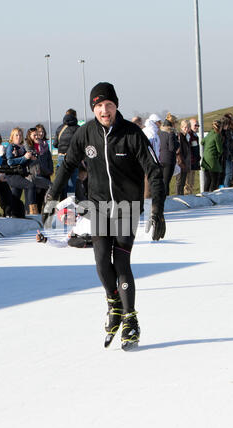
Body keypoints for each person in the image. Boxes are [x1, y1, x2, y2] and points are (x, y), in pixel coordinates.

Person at [42, 82, 166, 351]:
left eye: (108, 105)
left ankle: (130, 318)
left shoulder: (132, 134)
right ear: (93, 109)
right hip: (98, 206)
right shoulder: (86, 133)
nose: (104, 110)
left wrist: (157, 209)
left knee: (121, 262)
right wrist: (51, 196)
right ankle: (114, 305)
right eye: (98, 106)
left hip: (126, 207)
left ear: (116, 105)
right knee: (100, 263)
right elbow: (67, 165)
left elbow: (154, 171)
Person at [5, 127, 37, 215]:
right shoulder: (11, 146)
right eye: (16, 135)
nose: (18, 137)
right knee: (30, 186)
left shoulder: (23, 147)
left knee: (15, 196)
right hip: (12, 175)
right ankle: (31, 211)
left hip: (20, 174)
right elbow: (10, 161)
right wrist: (24, 158)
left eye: (20, 135)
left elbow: (24, 161)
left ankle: (12, 214)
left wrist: (30, 159)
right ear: (12, 136)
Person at [24, 127, 53, 212]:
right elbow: (33, 158)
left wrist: (49, 170)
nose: (37, 136)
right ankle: (31, 213)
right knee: (31, 198)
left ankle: (41, 211)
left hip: (39, 173)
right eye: (34, 135)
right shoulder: (27, 144)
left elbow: (46, 159)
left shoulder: (40, 145)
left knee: (39, 195)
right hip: (31, 175)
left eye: (37, 134)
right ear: (29, 136)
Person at [54, 109, 80, 200]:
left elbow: (55, 144)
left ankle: (61, 208)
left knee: (61, 183)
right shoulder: (77, 128)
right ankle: (70, 209)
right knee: (71, 184)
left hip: (61, 157)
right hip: (72, 158)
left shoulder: (60, 128)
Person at [142, 114, 162, 198]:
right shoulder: (151, 132)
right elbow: (152, 149)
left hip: (154, 160)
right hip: (150, 162)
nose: (160, 124)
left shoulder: (154, 132)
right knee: (149, 182)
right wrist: (154, 161)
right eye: (159, 122)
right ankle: (147, 201)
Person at [201, 120, 223, 192]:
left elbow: (202, 141)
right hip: (212, 159)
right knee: (214, 179)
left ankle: (205, 194)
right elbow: (220, 149)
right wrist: (218, 155)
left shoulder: (210, 133)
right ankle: (213, 195)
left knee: (208, 179)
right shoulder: (217, 135)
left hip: (205, 159)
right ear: (220, 127)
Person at [159, 119, 180, 196]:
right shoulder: (170, 134)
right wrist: (178, 143)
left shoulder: (160, 134)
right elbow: (172, 148)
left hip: (160, 159)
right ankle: (166, 198)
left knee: (162, 181)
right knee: (166, 181)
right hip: (169, 160)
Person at [185, 119, 201, 194]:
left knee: (191, 182)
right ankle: (187, 196)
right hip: (189, 162)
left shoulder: (194, 135)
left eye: (198, 125)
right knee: (188, 182)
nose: (197, 127)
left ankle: (190, 194)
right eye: (195, 125)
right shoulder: (189, 135)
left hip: (194, 161)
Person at [176, 120, 191, 195]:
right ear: (181, 127)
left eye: (188, 127)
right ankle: (179, 195)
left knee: (183, 181)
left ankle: (181, 194)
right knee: (179, 181)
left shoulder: (186, 136)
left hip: (185, 161)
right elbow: (179, 150)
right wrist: (181, 161)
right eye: (185, 127)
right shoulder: (180, 136)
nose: (186, 129)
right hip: (181, 161)